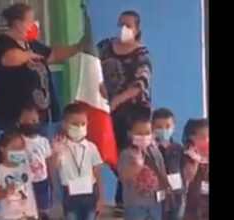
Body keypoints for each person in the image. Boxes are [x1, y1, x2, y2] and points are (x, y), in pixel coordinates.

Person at [0, 3, 89, 167]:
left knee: (39, 163)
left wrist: (79, 47)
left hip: (39, 117)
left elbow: (52, 54)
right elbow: (9, 58)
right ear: (19, 24)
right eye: (31, 20)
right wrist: (28, 55)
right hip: (10, 117)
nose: (34, 24)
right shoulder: (4, 44)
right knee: (14, 163)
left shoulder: (31, 44)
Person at [97, 10, 152, 211]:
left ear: (137, 29)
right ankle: (124, 195)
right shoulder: (104, 47)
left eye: (129, 25)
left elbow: (140, 83)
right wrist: (99, 85)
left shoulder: (141, 54)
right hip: (110, 112)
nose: (123, 29)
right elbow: (93, 68)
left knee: (130, 154)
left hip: (135, 111)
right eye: (121, 24)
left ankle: (125, 200)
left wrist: (117, 99)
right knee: (112, 153)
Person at [52, 103, 105, 220]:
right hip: (69, 194)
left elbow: (97, 173)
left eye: (83, 124)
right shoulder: (60, 146)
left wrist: (101, 198)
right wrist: (56, 152)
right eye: (74, 124)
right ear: (64, 125)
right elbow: (52, 169)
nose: (79, 127)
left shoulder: (91, 147)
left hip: (89, 194)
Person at [117, 107, 167, 220]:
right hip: (135, 204)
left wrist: (166, 192)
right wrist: (137, 166)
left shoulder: (155, 151)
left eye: (147, 133)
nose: (144, 136)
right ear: (130, 134)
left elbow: (162, 171)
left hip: (155, 202)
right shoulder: (127, 153)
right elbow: (122, 175)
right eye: (139, 133)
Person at [16, 104, 54, 220]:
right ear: (19, 123)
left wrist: (51, 179)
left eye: (34, 120)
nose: (31, 124)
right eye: (26, 121)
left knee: (43, 208)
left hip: (42, 180)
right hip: (24, 184)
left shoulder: (43, 141)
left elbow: (48, 161)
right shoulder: (16, 141)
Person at [0, 130, 38, 220]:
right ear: (2, 149)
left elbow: (41, 174)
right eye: (14, 148)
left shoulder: (26, 166)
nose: (18, 152)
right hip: (10, 216)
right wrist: (6, 191)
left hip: (30, 214)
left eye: (21, 148)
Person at [152, 108, 185, 220]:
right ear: (152, 128)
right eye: (159, 127)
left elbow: (183, 170)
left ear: (173, 127)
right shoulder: (150, 149)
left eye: (167, 127)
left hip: (176, 194)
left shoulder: (178, 148)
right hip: (156, 194)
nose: (164, 130)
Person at [182, 118, 209, 220]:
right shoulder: (187, 155)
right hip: (193, 206)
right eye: (202, 137)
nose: (206, 140)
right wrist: (195, 161)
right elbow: (187, 177)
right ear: (191, 137)